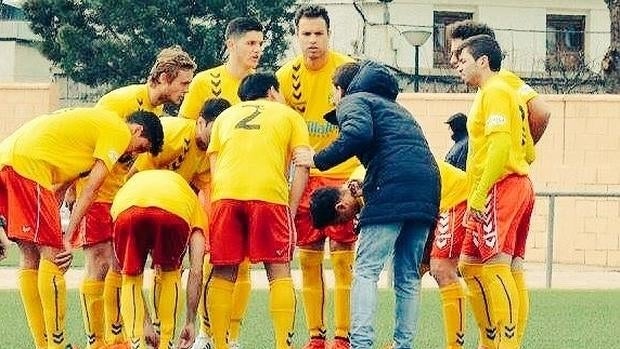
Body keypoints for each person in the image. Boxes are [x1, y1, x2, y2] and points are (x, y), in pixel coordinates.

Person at [294, 60, 440, 349]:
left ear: (339, 90)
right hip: (427, 187)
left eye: (334, 96)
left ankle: (360, 344)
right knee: (408, 275)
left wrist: (317, 159)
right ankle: (403, 345)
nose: (335, 102)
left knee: (366, 270)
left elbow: (358, 133)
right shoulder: (398, 109)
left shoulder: (353, 100)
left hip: (391, 184)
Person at [0, 107, 164, 349]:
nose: (134, 154)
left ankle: (43, 345)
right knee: (54, 256)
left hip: (8, 159)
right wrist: (66, 237)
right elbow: (92, 189)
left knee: (30, 256)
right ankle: (57, 345)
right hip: (29, 166)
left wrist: (52, 224)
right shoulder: (118, 131)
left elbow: (62, 188)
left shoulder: (89, 139)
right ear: (137, 129)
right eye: (140, 147)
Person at [70, 45, 196, 349]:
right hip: (96, 190)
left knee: (117, 264)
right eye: (184, 83)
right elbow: (86, 142)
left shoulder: (157, 114)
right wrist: (75, 190)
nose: (186, 91)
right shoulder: (121, 101)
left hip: (120, 196)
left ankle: (118, 337)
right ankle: (97, 340)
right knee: (100, 263)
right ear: (165, 77)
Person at [448, 20, 550, 348]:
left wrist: (479, 194)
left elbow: (501, 146)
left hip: (500, 187)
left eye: (461, 58)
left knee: (496, 267)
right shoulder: (499, 92)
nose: (456, 65)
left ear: (482, 60)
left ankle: (506, 343)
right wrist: (518, 165)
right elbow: (528, 150)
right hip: (513, 183)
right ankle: (492, 340)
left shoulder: (495, 90)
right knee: (474, 264)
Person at [206, 72, 310, 349]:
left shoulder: (225, 117)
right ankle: (282, 345)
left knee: (223, 272)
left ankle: (219, 344)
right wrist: (290, 208)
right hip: (268, 196)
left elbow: (215, 168)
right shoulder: (288, 115)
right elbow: (302, 164)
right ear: (273, 92)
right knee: (279, 272)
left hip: (225, 196)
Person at [276, 5, 359, 348]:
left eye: (319, 34)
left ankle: (342, 336)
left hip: (342, 177)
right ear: (297, 37)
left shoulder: (349, 70)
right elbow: (281, 131)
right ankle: (316, 336)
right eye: (306, 34)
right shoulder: (285, 76)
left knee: (342, 261)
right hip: (306, 178)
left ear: (329, 34)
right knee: (308, 260)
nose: (313, 41)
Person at [180, 18, 264, 349]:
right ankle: (205, 334)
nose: (257, 50)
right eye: (250, 43)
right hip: (211, 187)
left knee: (241, 266)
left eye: (260, 44)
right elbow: (189, 132)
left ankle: (231, 336)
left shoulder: (261, 87)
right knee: (210, 260)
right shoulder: (204, 82)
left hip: (249, 186)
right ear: (231, 44)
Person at [110, 170, 206, 349]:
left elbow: (120, 269)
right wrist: (191, 321)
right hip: (173, 212)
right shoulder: (195, 207)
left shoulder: (142, 179)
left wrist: (145, 322)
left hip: (124, 207)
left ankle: (136, 343)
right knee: (170, 273)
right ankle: (166, 343)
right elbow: (196, 270)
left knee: (130, 278)